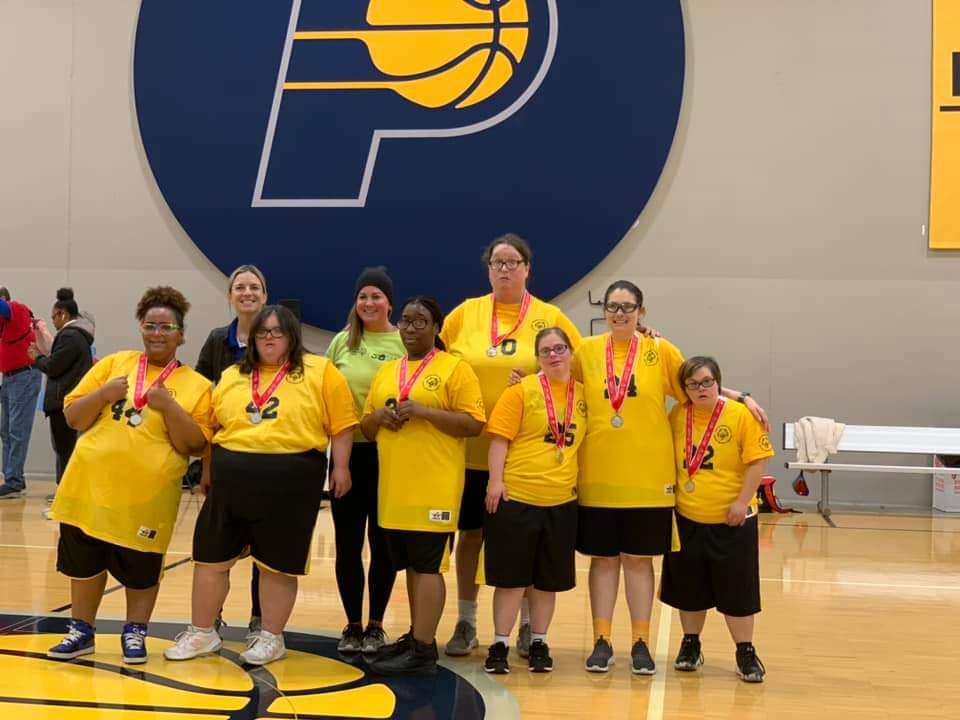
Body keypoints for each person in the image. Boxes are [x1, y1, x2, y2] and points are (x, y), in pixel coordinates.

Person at [574, 281, 769, 674]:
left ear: (642, 312)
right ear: (604, 310)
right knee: (604, 561)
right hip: (597, 477)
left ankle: (641, 642)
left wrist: (740, 396)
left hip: (649, 481)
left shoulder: (660, 350)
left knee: (639, 561)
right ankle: (602, 639)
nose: (620, 312)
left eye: (628, 306)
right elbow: (560, 386)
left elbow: (695, 384)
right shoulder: (585, 350)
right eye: (613, 305)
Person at [165, 305, 357, 667]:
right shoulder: (233, 375)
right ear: (251, 338)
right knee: (210, 559)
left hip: (292, 480)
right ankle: (202, 632)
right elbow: (212, 429)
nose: (269, 337)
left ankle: (271, 637)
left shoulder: (320, 371)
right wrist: (207, 470)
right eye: (262, 332)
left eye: (277, 331)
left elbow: (343, 424)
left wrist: (341, 467)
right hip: (230, 479)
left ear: (292, 336)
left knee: (276, 565)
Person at [46, 287, 213, 664]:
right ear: (140, 326)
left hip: (146, 499)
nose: (157, 333)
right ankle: (81, 631)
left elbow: (195, 444)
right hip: (88, 488)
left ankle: (134, 632)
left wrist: (169, 406)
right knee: (84, 564)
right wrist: (104, 394)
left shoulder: (197, 386)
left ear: (181, 334)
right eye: (151, 325)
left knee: (141, 570)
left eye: (166, 327)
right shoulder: (114, 364)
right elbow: (74, 417)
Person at [440, 233, 581, 658]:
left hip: (521, 462)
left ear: (527, 268)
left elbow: (583, 365)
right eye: (497, 262)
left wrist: (641, 334)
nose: (505, 269)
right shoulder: (466, 314)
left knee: (522, 545)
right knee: (470, 538)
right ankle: (466, 620)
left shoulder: (549, 315)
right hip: (467, 453)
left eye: (512, 261)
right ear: (488, 269)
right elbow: (438, 361)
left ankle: (524, 626)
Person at [361, 297, 485, 675]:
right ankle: (417, 636)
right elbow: (365, 426)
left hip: (435, 485)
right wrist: (381, 417)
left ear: (436, 328)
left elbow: (474, 423)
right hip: (395, 487)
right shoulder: (388, 371)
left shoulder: (455, 369)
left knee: (429, 566)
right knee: (412, 566)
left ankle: (425, 650)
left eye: (420, 322)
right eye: (406, 321)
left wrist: (425, 412)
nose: (411, 328)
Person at [660, 356, 774, 683]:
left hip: (732, 520)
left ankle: (745, 651)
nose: (701, 389)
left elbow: (757, 462)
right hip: (687, 518)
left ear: (718, 383)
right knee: (689, 590)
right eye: (693, 384)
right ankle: (691, 644)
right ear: (684, 390)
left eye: (707, 382)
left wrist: (741, 502)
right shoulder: (678, 414)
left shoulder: (740, 415)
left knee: (738, 592)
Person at [483, 327, 586, 674]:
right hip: (518, 496)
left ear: (571, 352)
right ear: (538, 358)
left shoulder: (584, 396)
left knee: (546, 582)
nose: (554, 355)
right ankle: (499, 644)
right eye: (546, 351)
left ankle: (539, 641)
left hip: (560, 501)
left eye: (559, 348)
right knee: (511, 581)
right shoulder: (522, 391)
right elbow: (499, 439)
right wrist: (495, 482)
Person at [326, 268, 405, 655]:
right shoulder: (342, 342)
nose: (369, 303)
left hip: (390, 455)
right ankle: (352, 624)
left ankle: (376, 625)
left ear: (389, 302)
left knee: (383, 543)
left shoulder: (403, 341)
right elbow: (323, 392)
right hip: (347, 454)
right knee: (348, 543)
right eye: (363, 297)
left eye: (376, 296)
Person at [194, 264, 269, 636]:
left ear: (265, 295)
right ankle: (214, 615)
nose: (247, 293)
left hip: (268, 457)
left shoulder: (278, 339)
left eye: (254, 287)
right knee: (222, 541)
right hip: (226, 456)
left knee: (264, 546)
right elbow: (203, 402)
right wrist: (206, 465)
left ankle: (260, 618)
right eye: (240, 287)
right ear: (230, 296)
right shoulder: (215, 341)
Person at [28, 288, 95, 496]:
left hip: (64, 401)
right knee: (67, 449)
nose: (53, 322)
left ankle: (66, 495)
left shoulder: (70, 336)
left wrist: (36, 357)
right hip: (69, 400)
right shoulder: (78, 336)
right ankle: (66, 493)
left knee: (65, 450)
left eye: (54, 317)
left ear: (63, 315)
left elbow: (54, 366)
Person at [0, 287, 43, 499]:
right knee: (6, 430)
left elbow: (3, 307)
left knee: (17, 430)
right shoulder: (4, 325)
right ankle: (12, 476)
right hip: (9, 378)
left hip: (23, 377)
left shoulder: (15, 309)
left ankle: (13, 481)